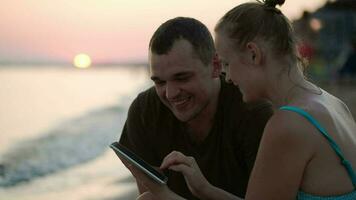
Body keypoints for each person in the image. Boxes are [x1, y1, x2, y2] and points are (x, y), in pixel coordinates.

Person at [129, 0, 356, 200]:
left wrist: (164, 196)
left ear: (253, 54)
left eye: (226, 64)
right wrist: (206, 190)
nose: (228, 77)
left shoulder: (288, 125)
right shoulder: (333, 104)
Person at [118, 17, 273, 199]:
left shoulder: (253, 111)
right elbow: (151, 196)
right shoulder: (145, 112)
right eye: (159, 82)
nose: (170, 93)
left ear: (215, 66)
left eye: (182, 78)